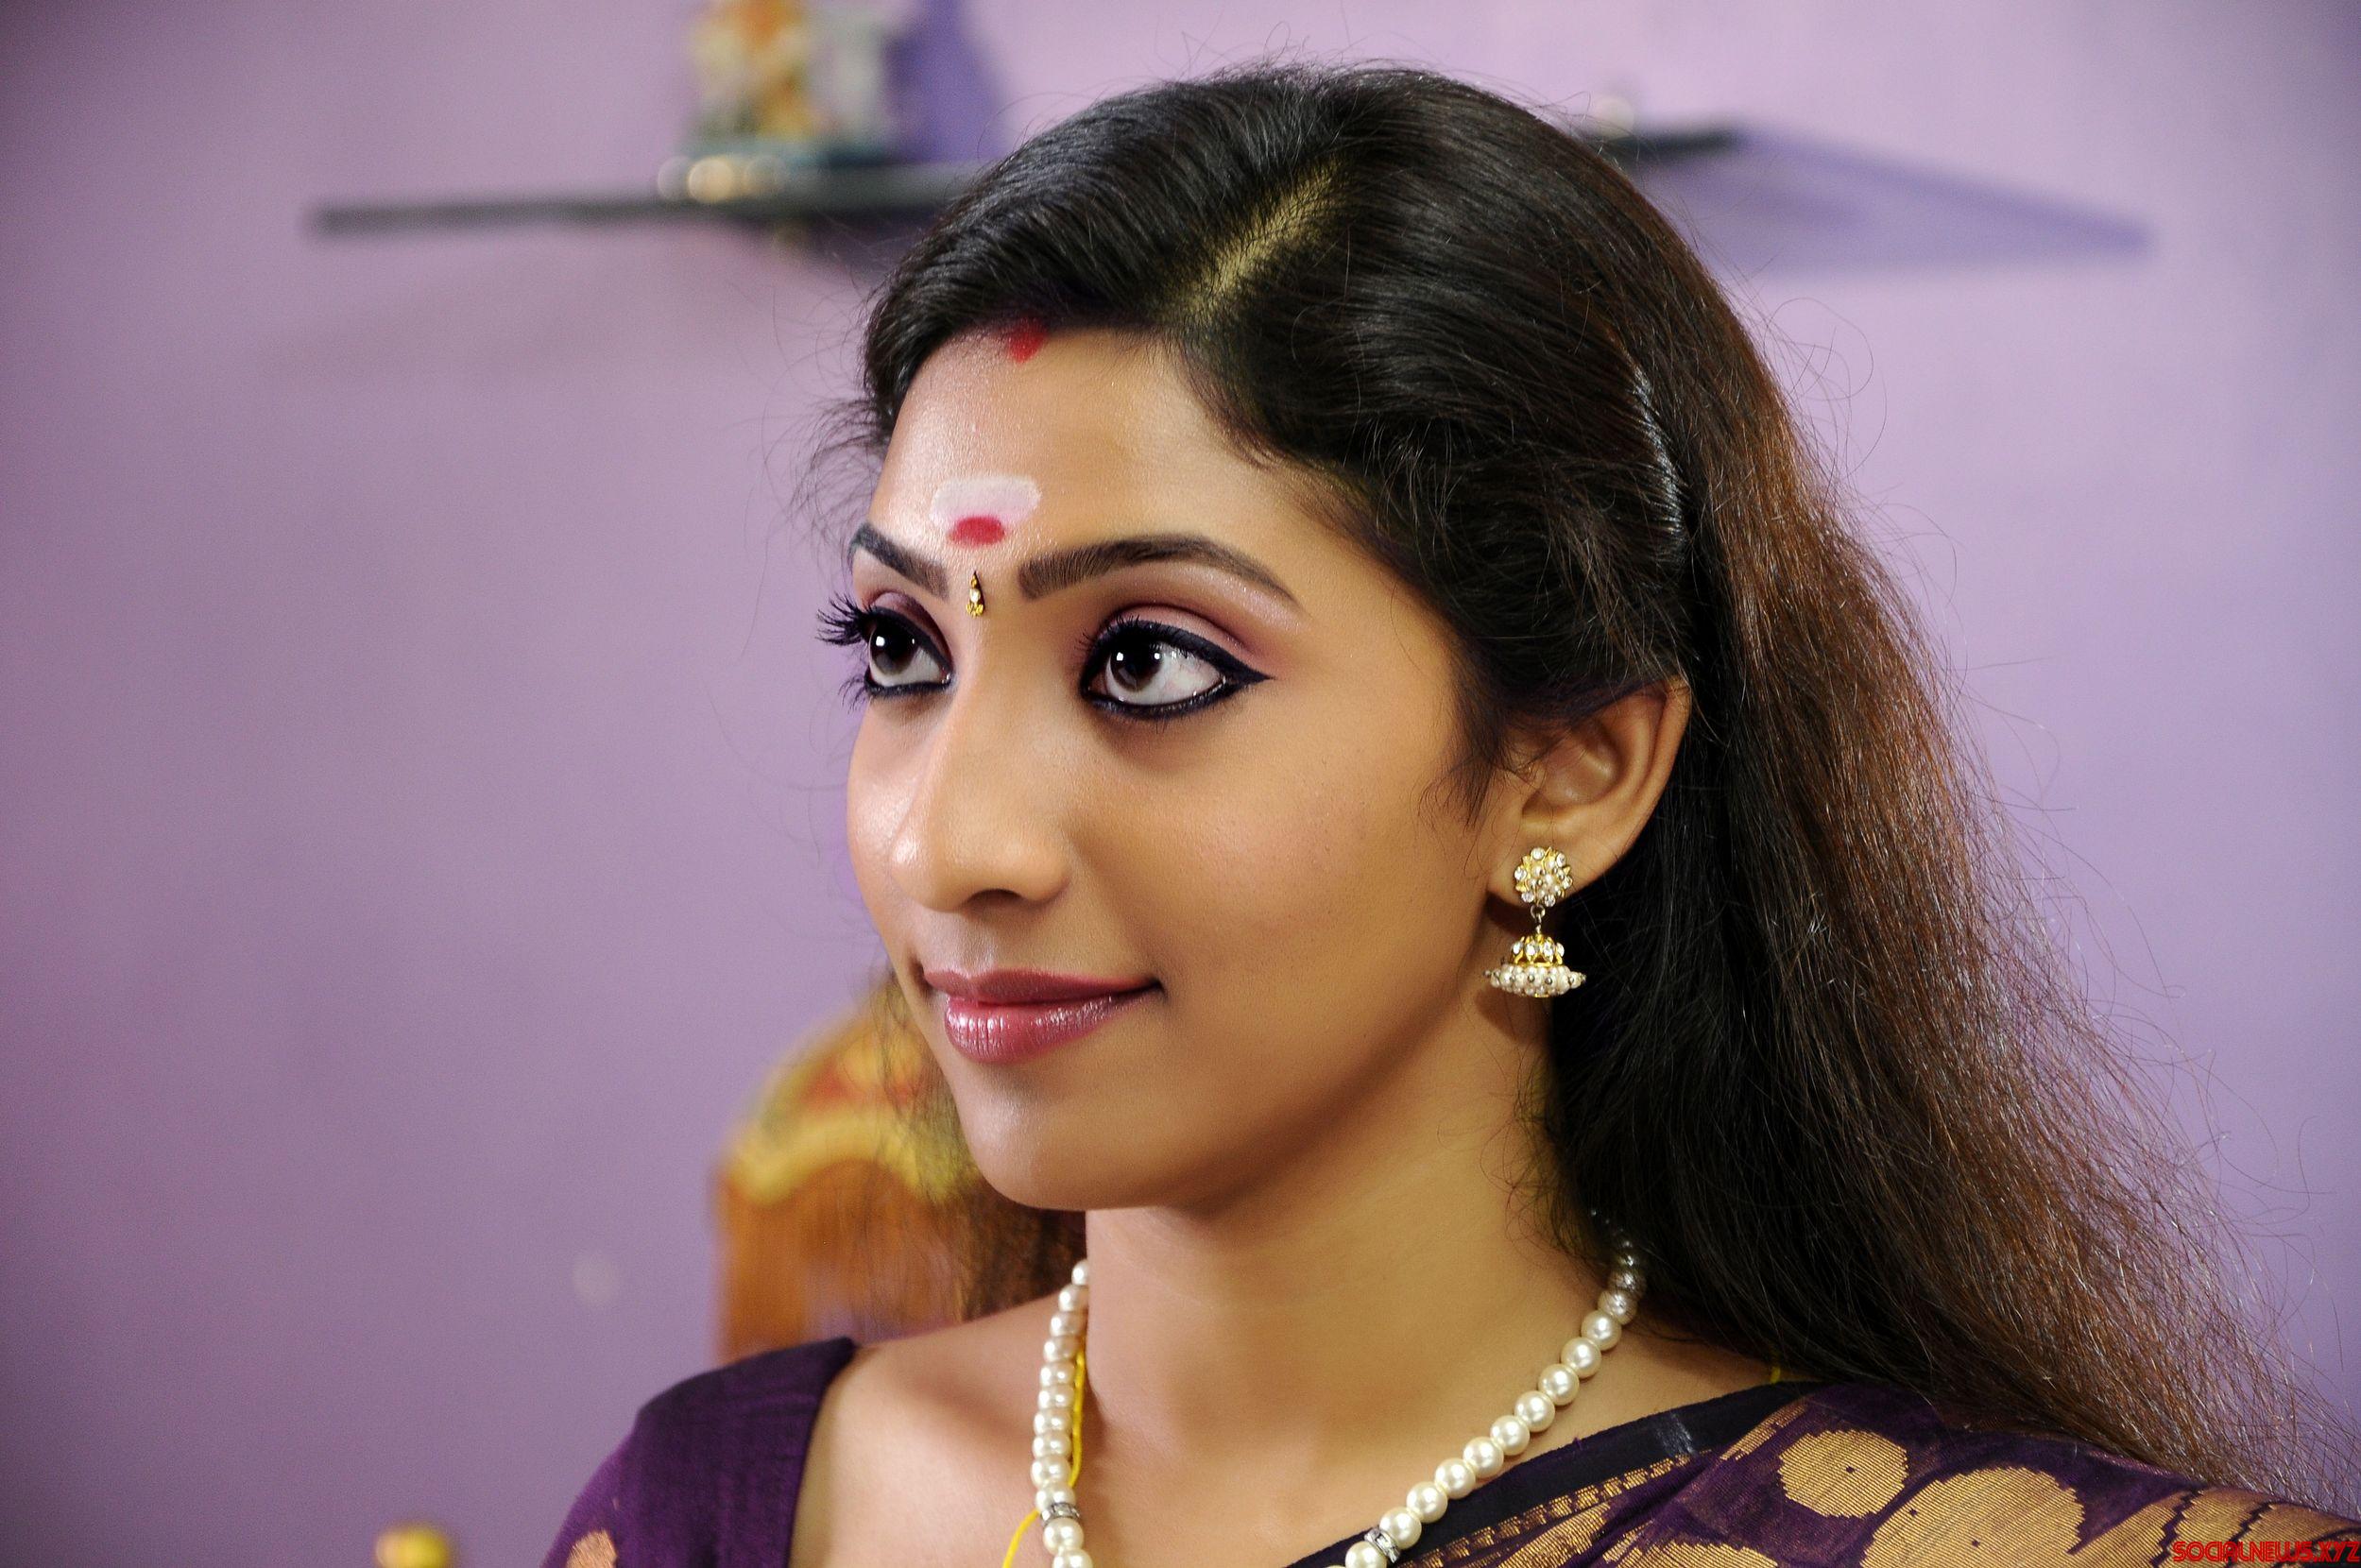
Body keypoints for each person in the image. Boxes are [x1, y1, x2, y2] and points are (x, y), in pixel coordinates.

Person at [541, 59, 2359, 1568]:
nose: (950, 846)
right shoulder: (730, 1514)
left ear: (1572, 768)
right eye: (902, 650)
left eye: (1151, 666)